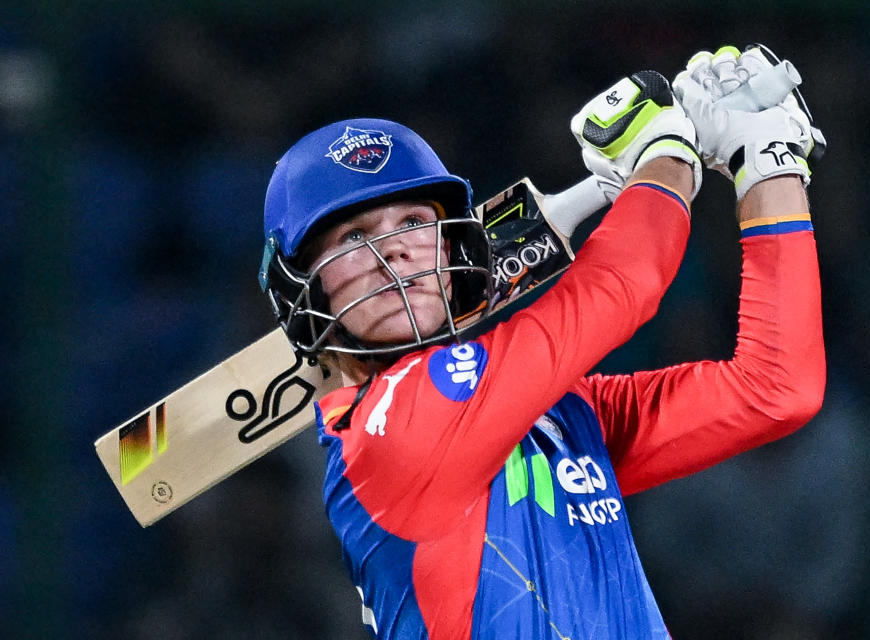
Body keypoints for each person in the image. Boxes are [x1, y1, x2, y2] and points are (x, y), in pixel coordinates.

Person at [259, 45, 825, 639]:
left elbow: (777, 388)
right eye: (353, 236)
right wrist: (667, 149)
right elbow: (622, 288)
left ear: (455, 253)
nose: (394, 250)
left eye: (413, 223)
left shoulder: (561, 411)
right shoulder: (386, 437)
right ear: (303, 290)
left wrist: (766, 163)